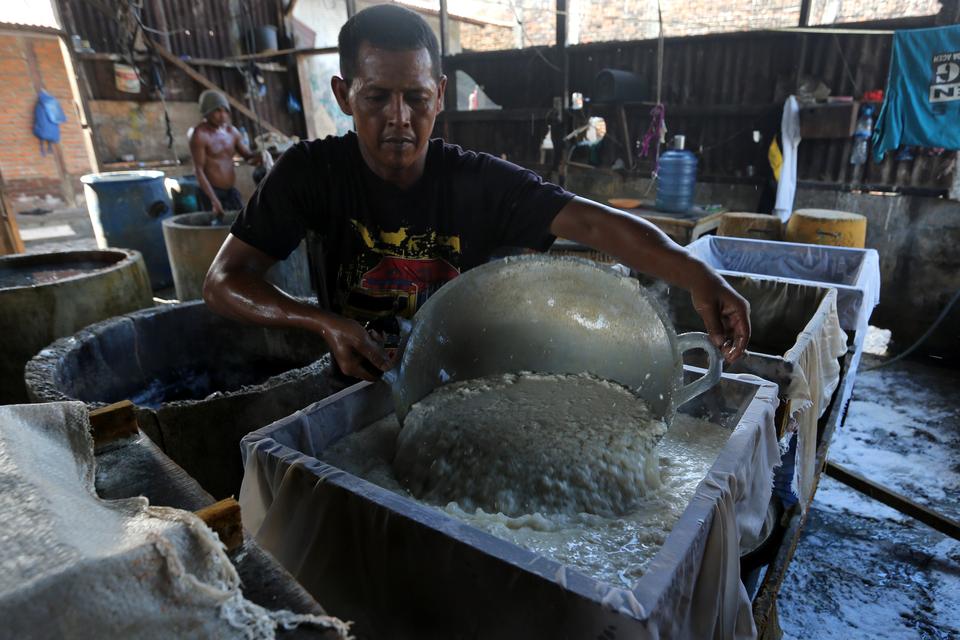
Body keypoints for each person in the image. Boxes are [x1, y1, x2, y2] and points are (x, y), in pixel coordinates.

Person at [203, 4, 750, 382]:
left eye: (416, 97)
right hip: (349, 385)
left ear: (440, 96)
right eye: (377, 98)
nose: (399, 119)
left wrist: (696, 274)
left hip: (458, 380)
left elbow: (594, 224)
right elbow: (224, 281)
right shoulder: (309, 172)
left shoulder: (477, 180)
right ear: (344, 95)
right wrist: (323, 323)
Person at [189, 90, 263, 221]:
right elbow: (198, 170)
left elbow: (248, 157)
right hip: (210, 193)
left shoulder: (232, 132)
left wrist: (264, 155)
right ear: (207, 112)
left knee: (242, 225)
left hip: (230, 191)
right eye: (217, 111)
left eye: (225, 111)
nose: (222, 115)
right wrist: (213, 200)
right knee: (215, 231)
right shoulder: (200, 135)